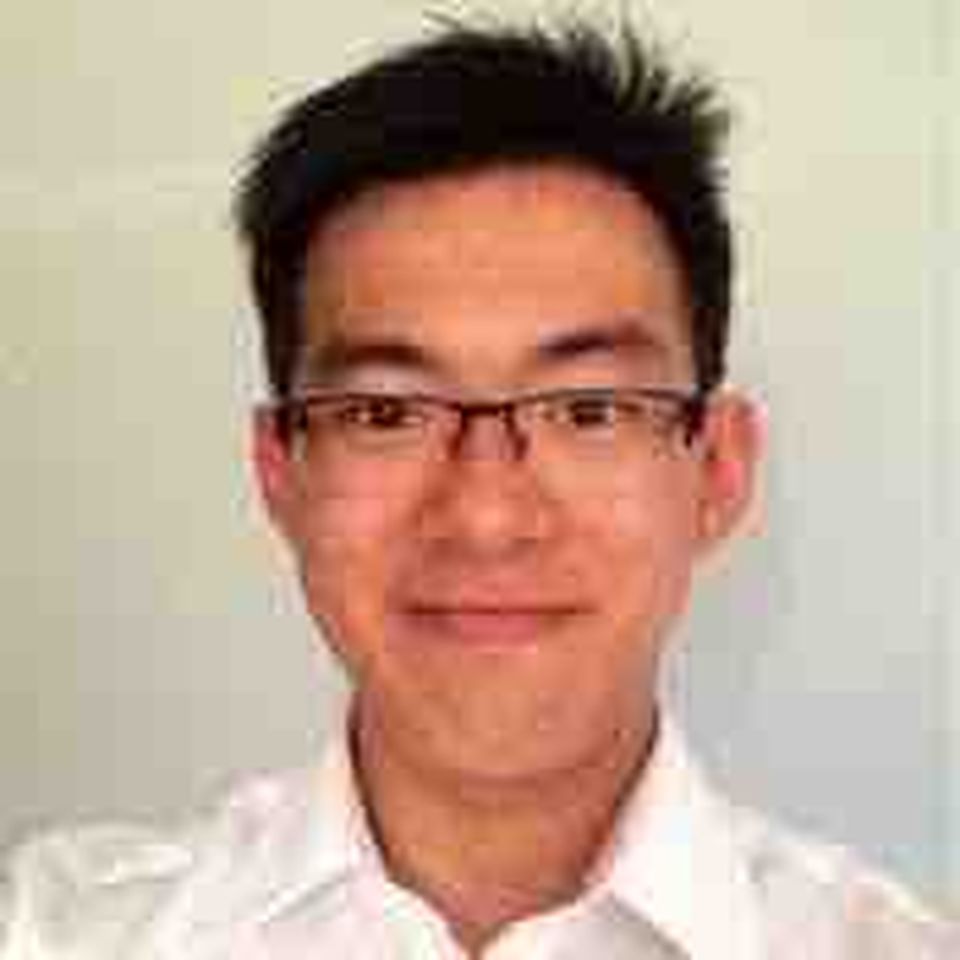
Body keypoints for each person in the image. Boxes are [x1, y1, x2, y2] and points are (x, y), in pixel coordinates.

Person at [1, 16, 954, 960]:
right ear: (280, 474)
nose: (487, 518)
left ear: (717, 471)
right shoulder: (55, 933)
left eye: (588, 410)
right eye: (387, 413)